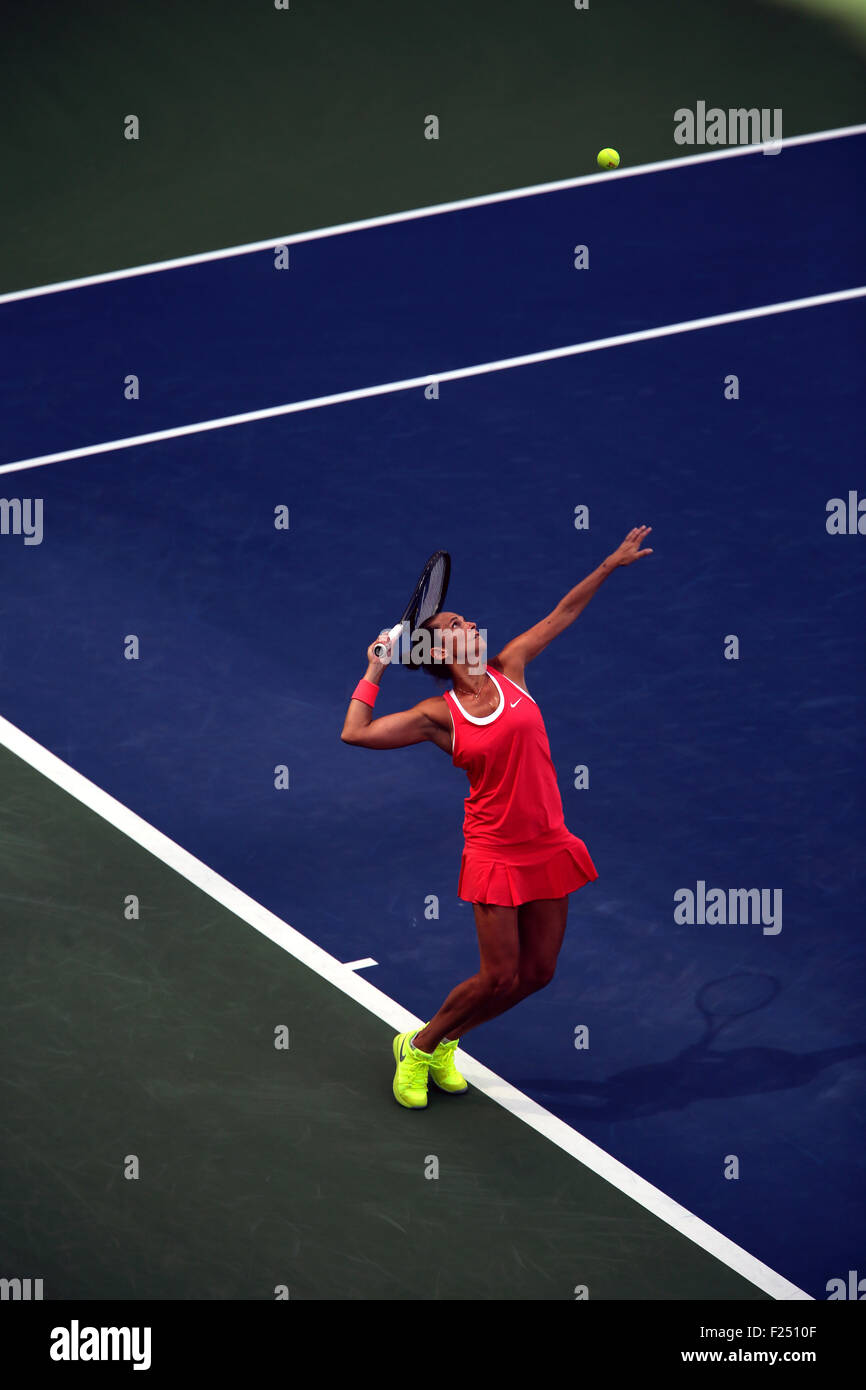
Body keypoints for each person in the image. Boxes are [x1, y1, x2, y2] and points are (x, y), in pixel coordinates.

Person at [341, 526, 653, 1107]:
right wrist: (376, 667)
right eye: (452, 625)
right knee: (497, 977)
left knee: (537, 974)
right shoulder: (438, 714)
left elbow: (563, 612)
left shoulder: (512, 666)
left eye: (464, 619)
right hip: (495, 853)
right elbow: (353, 733)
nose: (466, 625)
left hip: (548, 844)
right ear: (437, 653)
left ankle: (443, 1043)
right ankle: (419, 1045)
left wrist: (608, 565)